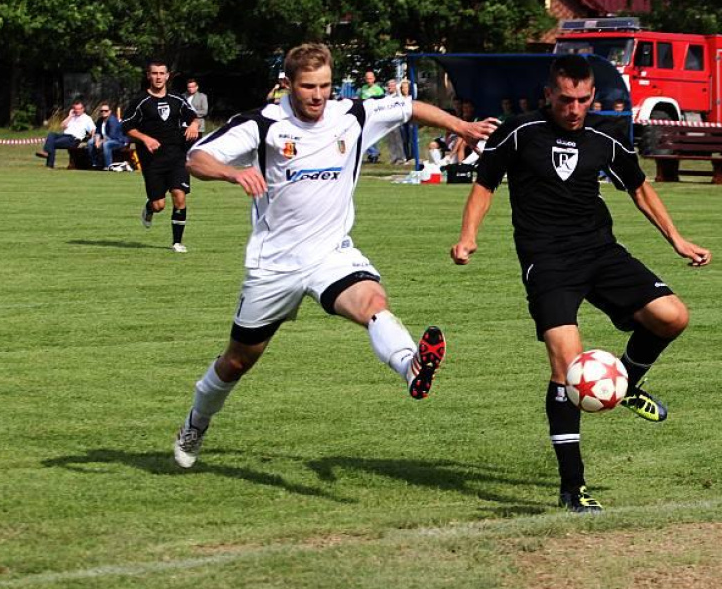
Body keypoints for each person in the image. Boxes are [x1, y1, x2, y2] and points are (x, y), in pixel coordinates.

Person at [173, 43, 497, 470]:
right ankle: (196, 421)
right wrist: (233, 172)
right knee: (236, 361)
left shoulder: (353, 113)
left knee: (373, 302)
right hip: (275, 264)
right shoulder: (263, 123)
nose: (318, 95)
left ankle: (411, 367)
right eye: (308, 86)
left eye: (325, 85)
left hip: (331, 254)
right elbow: (196, 157)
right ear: (288, 84)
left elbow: (409, 107)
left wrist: (462, 126)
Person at [449, 55, 711, 514]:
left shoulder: (605, 138)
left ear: (592, 97)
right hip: (547, 262)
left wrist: (677, 239)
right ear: (549, 94)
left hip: (600, 252)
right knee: (566, 367)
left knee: (672, 316)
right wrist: (469, 235)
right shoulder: (519, 131)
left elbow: (639, 188)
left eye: (583, 100)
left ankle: (624, 383)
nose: (574, 109)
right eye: (565, 99)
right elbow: (484, 184)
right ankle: (573, 487)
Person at [121, 59, 200, 253]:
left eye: (161, 73)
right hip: (152, 160)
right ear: (149, 76)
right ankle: (149, 208)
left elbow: (193, 116)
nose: (158, 77)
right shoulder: (140, 101)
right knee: (159, 205)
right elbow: (127, 127)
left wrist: (194, 125)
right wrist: (145, 138)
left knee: (179, 195)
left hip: (177, 155)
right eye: (154, 73)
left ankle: (177, 242)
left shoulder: (176, 98)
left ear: (167, 76)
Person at [35, 100, 96, 168]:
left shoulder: (87, 118)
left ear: (83, 109)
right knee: (51, 134)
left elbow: (93, 129)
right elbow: (62, 126)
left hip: (74, 138)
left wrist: (92, 138)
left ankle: (49, 162)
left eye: (79, 109)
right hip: (64, 136)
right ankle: (46, 154)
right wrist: (70, 116)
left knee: (52, 143)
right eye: (75, 109)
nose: (77, 111)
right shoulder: (72, 117)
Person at [87, 103, 128, 170]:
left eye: (106, 111)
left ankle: (108, 166)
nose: (103, 112)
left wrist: (100, 142)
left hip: (119, 141)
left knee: (106, 144)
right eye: (102, 111)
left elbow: (111, 136)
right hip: (106, 139)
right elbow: (97, 132)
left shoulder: (113, 120)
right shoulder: (100, 120)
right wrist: (97, 141)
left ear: (110, 111)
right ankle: (95, 163)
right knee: (90, 142)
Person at [358, 70, 387, 163]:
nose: (369, 80)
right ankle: (373, 153)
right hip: (365, 114)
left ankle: (374, 153)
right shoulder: (363, 88)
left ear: (374, 79)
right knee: (363, 134)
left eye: (370, 78)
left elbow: (383, 100)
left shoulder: (378, 89)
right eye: (367, 78)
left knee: (372, 134)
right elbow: (360, 99)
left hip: (374, 115)